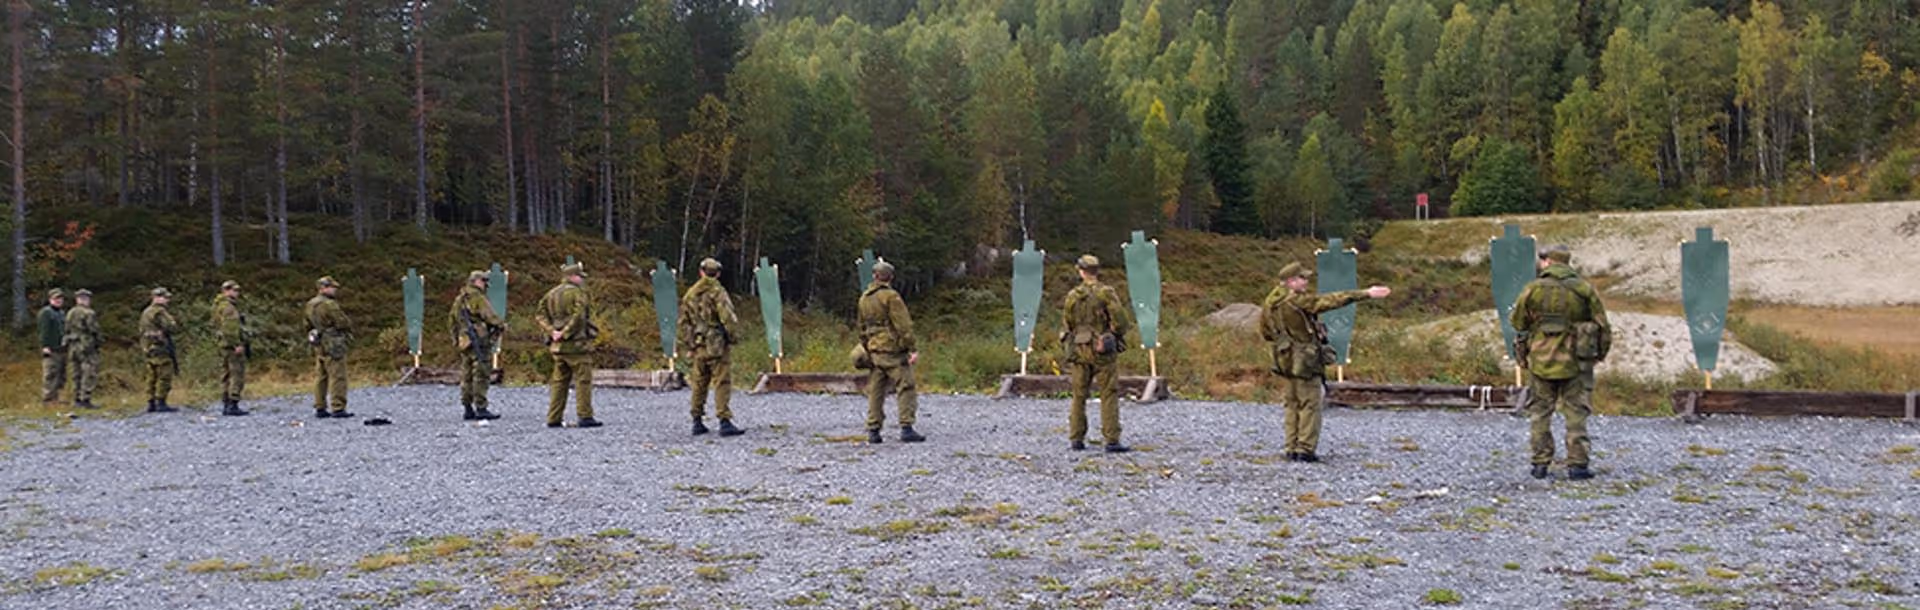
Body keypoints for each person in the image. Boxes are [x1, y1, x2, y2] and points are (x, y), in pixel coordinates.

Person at [1260, 261, 1391, 463]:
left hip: (1284, 359)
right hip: (1305, 360)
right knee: (1310, 404)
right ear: (1291, 281)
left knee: (1292, 404)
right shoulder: (1296, 300)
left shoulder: (1271, 301)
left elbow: (1266, 332)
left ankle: (1291, 447)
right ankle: (1305, 449)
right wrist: (1366, 293)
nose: (1306, 281)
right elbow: (1330, 300)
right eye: (1302, 278)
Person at [1510, 244, 1612, 481]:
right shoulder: (1584, 289)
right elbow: (1603, 327)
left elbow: (1518, 323)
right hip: (1576, 362)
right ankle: (1578, 465)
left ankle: (1539, 464)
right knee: (1576, 414)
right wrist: (1599, 355)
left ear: (1548, 262)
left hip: (1540, 361)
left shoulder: (1532, 289)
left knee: (1540, 413)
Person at [1058, 255, 1135, 453]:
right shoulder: (1106, 293)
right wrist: (1112, 333)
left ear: (1081, 271)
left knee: (1078, 395)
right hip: (1102, 349)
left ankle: (1076, 439)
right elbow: (1121, 322)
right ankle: (1111, 440)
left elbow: (1068, 323)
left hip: (1078, 348)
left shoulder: (1072, 296)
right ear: (1096, 270)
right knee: (1108, 393)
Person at [856, 260, 923, 444]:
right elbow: (904, 325)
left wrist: (868, 347)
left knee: (876, 390)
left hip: (874, 350)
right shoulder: (891, 297)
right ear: (890, 277)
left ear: (874, 276)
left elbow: (861, 328)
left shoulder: (864, 298)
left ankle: (873, 430)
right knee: (906, 385)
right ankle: (907, 427)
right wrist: (912, 348)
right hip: (892, 351)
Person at [679, 257, 742, 437]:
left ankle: (697, 421)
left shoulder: (690, 294)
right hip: (716, 343)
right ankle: (724, 420)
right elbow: (727, 317)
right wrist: (733, 337)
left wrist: (690, 344)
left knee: (699, 382)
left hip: (698, 344)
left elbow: (684, 323)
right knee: (721, 381)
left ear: (701, 272)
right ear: (718, 274)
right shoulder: (718, 292)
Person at [536, 262, 601, 428]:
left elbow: (540, 315)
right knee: (583, 380)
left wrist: (552, 332)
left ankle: (553, 417)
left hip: (557, 347)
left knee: (559, 382)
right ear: (572, 276)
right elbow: (579, 316)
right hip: (576, 345)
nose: (581, 279)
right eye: (579, 276)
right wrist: (565, 332)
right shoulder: (578, 294)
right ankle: (585, 416)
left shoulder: (550, 294)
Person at [450, 270, 506, 421]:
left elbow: (452, 321)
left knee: (466, 375)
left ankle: (467, 408)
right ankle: (481, 407)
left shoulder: (460, 299)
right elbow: (490, 316)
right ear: (475, 281)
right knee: (481, 374)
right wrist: (501, 325)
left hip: (464, 342)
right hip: (479, 341)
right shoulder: (478, 298)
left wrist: (456, 340)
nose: (485, 285)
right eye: (483, 281)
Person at [305, 277, 355, 419]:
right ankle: (338, 407)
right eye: (331, 287)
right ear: (323, 288)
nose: (334, 290)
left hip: (318, 342)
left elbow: (306, 325)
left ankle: (320, 406)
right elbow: (342, 322)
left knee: (321, 376)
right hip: (333, 343)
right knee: (338, 376)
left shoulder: (310, 304)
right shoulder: (329, 304)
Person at [211, 281, 251, 416]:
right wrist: (237, 344)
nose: (237, 293)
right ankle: (233, 403)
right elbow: (230, 329)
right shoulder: (229, 308)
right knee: (236, 373)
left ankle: (226, 402)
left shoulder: (218, 306)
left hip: (222, 344)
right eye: (234, 290)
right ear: (226, 291)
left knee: (226, 373)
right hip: (230, 345)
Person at [140, 287, 182, 413]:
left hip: (148, 347)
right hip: (160, 346)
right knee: (164, 375)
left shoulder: (146, 312)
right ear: (157, 297)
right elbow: (171, 327)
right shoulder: (160, 312)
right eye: (165, 297)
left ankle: (151, 402)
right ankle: (161, 402)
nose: (167, 300)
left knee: (151, 376)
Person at [63, 289, 100, 409]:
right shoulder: (89, 313)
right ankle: (85, 398)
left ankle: (76, 398)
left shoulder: (70, 312)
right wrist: (98, 342)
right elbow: (93, 330)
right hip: (86, 345)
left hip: (73, 345)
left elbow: (66, 328)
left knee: (76, 372)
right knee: (89, 371)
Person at [37, 288, 67, 404]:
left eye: (60, 298)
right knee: (50, 373)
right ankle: (48, 399)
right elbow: (43, 331)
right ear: (50, 299)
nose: (58, 300)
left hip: (61, 348)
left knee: (60, 374)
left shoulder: (61, 313)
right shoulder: (46, 312)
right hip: (51, 348)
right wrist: (45, 346)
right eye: (56, 298)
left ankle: (57, 397)